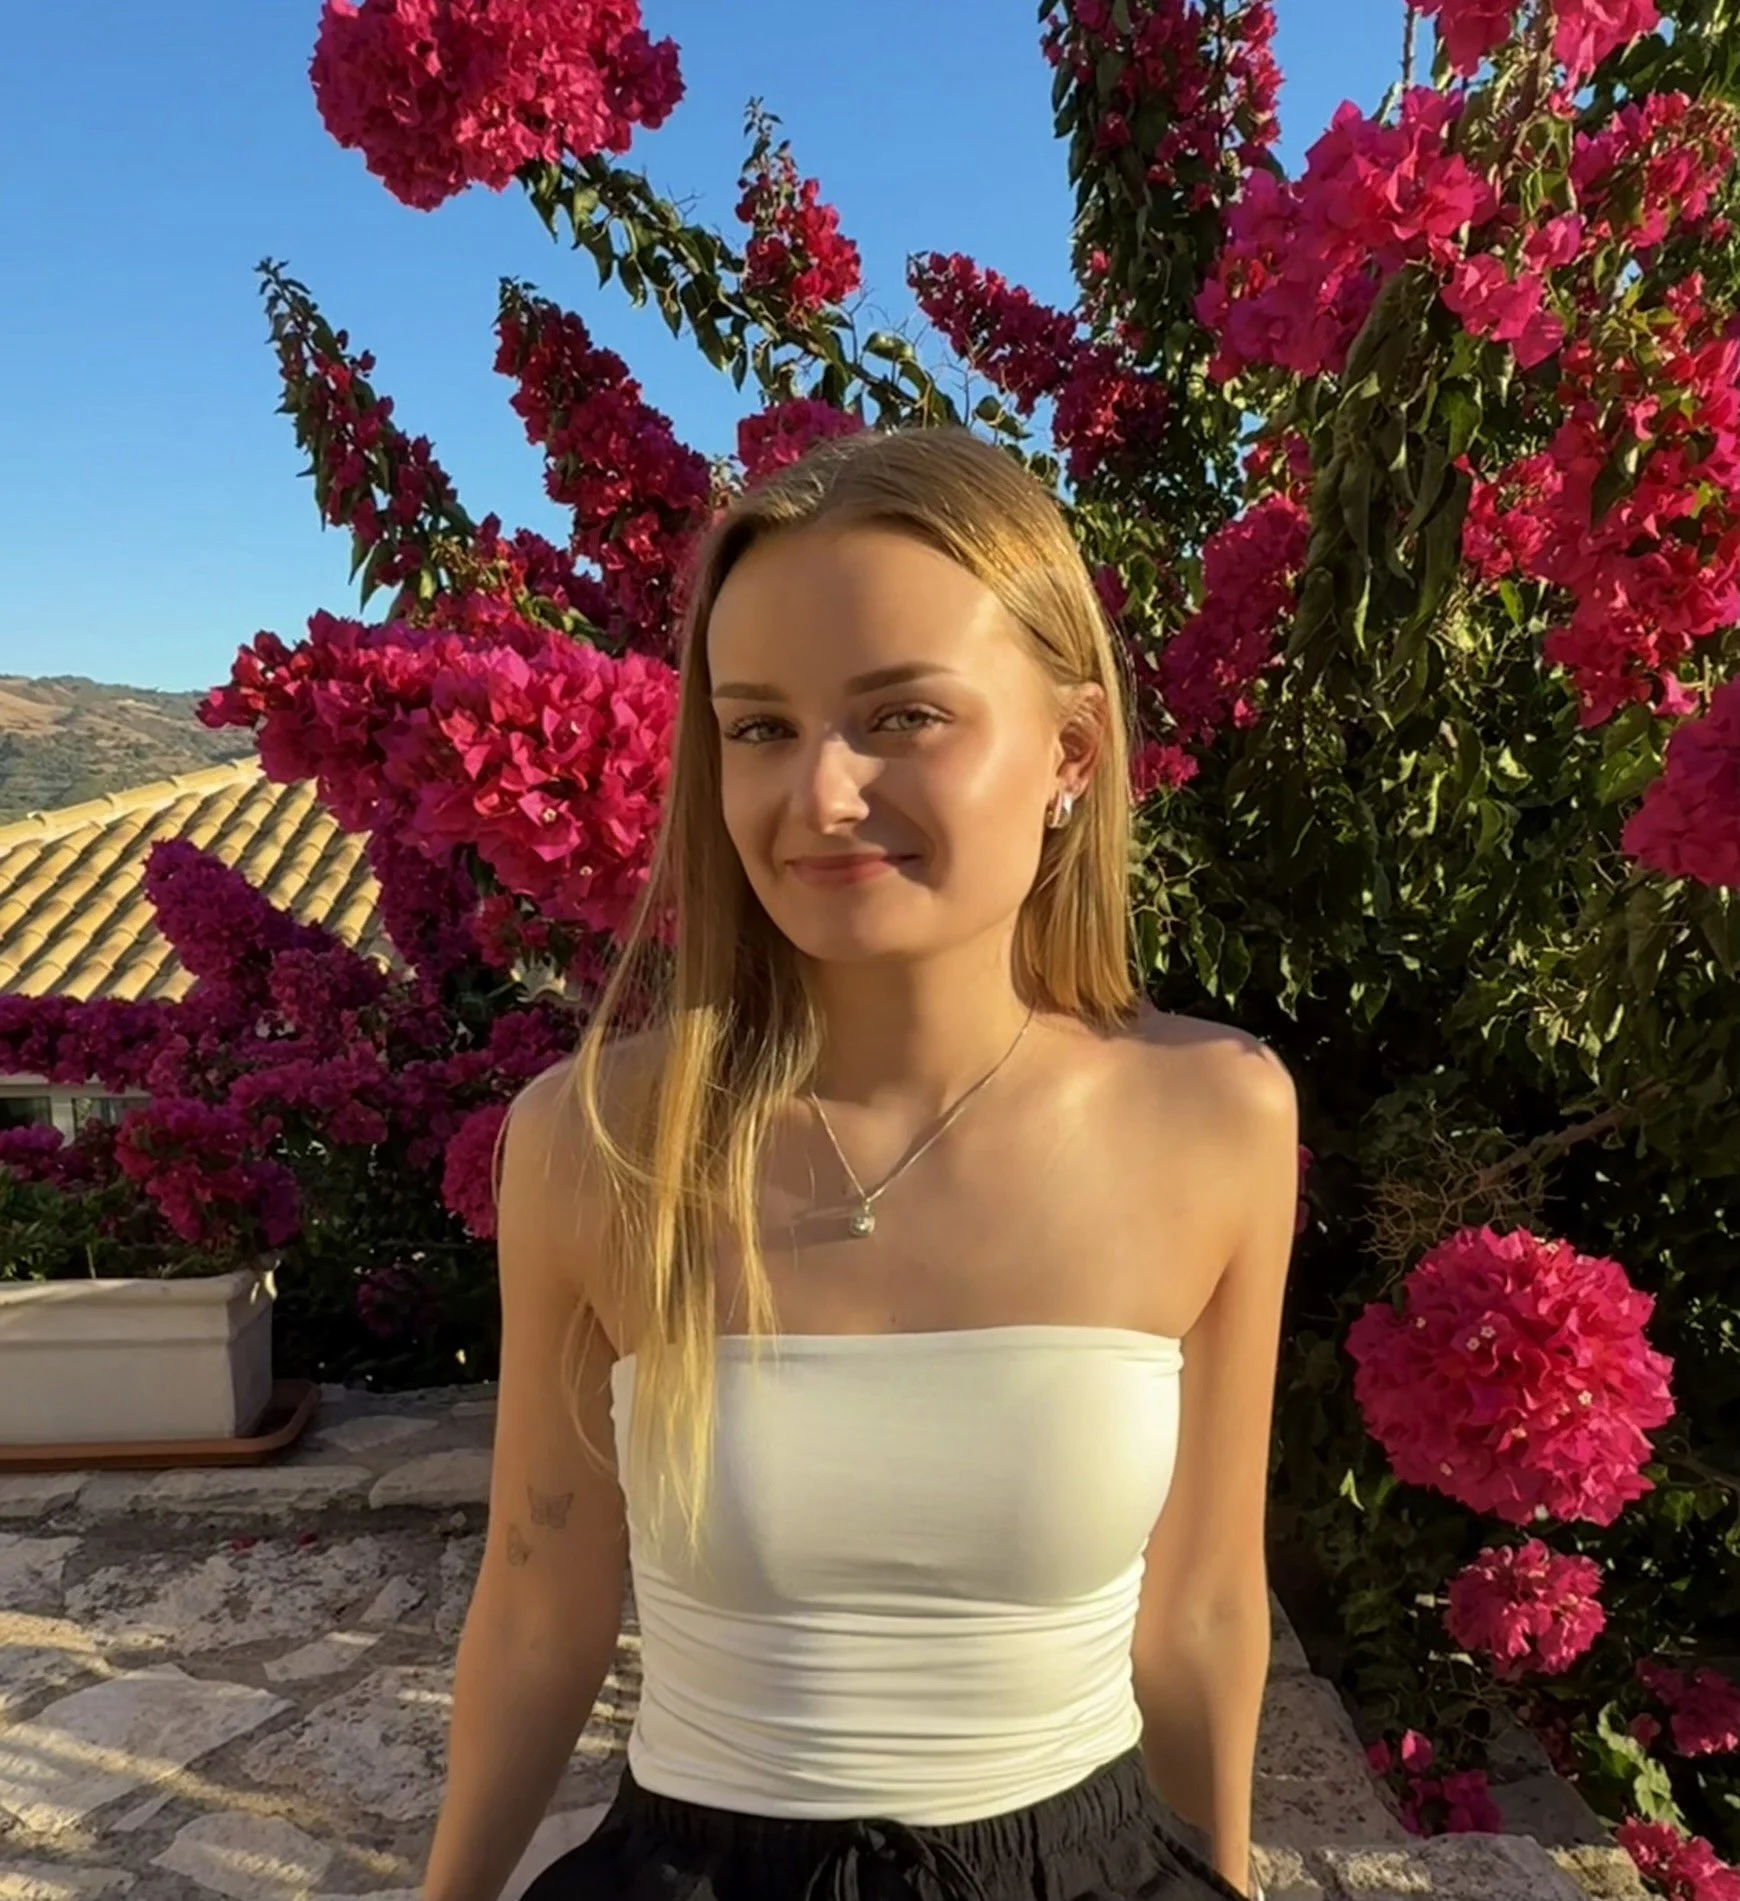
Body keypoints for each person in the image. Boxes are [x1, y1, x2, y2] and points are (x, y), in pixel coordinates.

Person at [419, 426, 1297, 1901]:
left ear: (1072, 752)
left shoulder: (1215, 1119)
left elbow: (1205, 1603)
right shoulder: (596, 1144)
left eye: (901, 717)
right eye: (760, 728)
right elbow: (534, 1604)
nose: (820, 795)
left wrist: (1225, 1879)